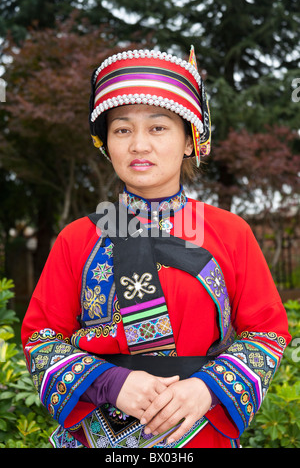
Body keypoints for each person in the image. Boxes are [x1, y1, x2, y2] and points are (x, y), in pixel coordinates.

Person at [21, 47, 291, 449]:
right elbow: (40, 338)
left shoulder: (230, 232)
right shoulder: (77, 238)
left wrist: (208, 388)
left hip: (199, 431)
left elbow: (267, 332)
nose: (138, 145)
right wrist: (110, 382)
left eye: (158, 128)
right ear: (107, 144)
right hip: (95, 435)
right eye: (122, 130)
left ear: (189, 141)